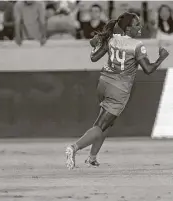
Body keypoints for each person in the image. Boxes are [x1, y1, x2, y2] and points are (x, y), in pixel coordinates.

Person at [65, 12, 169, 170]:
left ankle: (92, 158)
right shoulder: (136, 45)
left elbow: (94, 58)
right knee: (101, 126)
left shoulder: (112, 39)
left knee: (106, 124)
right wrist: (161, 58)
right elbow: (148, 69)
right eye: (136, 25)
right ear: (128, 28)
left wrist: (97, 44)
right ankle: (74, 148)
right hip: (119, 90)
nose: (139, 27)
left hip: (103, 83)